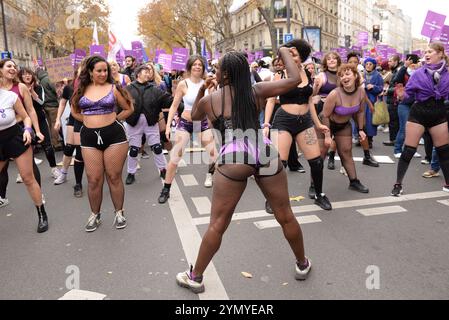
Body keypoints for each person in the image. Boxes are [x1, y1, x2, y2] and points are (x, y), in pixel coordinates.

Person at [175, 48, 312, 294]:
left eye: (217, 69)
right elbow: (293, 80)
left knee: (218, 223)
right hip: (264, 151)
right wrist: (283, 50)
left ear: (224, 74)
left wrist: (204, 91)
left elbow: (195, 116)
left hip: (234, 157)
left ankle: (195, 277)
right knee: (285, 214)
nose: (214, 72)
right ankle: (302, 264)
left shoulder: (211, 99)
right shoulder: (257, 90)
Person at [264, 39, 332, 211]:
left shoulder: (307, 74)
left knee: (316, 162)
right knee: (280, 164)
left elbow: (309, 101)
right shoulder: (280, 74)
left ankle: (319, 195)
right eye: (289, 54)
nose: (292, 57)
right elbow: (271, 101)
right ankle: (272, 198)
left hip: (305, 123)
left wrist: (318, 124)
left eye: (295, 54)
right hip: (283, 121)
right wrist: (265, 124)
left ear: (301, 57)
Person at [71, 55, 134, 232]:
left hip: (114, 137)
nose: (103, 73)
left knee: (114, 177)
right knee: (93, 179)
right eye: (99, 70)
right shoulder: (81, 89)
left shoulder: (114, 88)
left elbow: (129, 108)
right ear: (90, 72)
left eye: (105, 70)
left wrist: (115, 120)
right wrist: (88, 120)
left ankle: (119, 213)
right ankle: (95, 215)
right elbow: (75, 111)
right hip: (89, 137)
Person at [391, 43, 449, 196]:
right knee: (409, 150)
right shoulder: (418, 73)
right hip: (419, 113)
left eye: (430, 52)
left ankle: (448, 184)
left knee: (444, 151)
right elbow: (408, 96)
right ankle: (398, 184)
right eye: (425, 52)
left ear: (441, 54)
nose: (426, 54)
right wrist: (402, 94)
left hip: (438, 114)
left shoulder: (447, 74)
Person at [158, 55, 217, 204]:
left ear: (203, 67)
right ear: (189, 67)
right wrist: (168, 126)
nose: (197, 67)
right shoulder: (183, 84)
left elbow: (212, 104)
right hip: (185, 123)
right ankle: (166, 189)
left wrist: (215, 85)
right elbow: (174, 106)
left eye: (200, 65)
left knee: (214, 154)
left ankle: (210, 175)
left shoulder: (207, 83)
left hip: (202, 123)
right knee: (175, 158)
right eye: (194, 64)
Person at [0, 85, 49, 233]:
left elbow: (26, 116)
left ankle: (42, 214)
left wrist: (28, 130)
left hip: (15, 137)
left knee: (28, 178)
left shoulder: (10, 96)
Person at [319, 64, 372, 193]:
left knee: (346, 152)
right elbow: (325, 115)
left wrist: (360, 129)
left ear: (355, 76)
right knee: (321, 155)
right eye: (341, 76)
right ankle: (314, 186)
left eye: (347, 74)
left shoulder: (361, 92)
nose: (344, 78)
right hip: (326, 124)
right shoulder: (334, 94)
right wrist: (327, 136)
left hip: (344, 125)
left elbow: (360, 112)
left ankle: (354, 182)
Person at [0, 59, 44, 207]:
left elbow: (30, 111)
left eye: (14, 66)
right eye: (9, 66)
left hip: (21, 129)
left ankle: (39, 196)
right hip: (2, 132)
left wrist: (35, 131)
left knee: (28, 170)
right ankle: (2, 196)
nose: (13, 68)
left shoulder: (20, 87)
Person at [124, 64, 173, 184]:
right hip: (133, 123)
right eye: (145, 72)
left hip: (151, 122)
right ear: (138, 74)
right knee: (134, 149)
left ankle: (163, 169)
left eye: (149, 72)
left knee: (156, 147)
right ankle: (131, 173)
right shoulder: (128, 89)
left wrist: (177, 98)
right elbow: (120, 105)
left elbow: (168, 100)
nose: (148, 74)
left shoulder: (154, 89)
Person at [19, 67, 60, 179]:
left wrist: (32, 92)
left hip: (40, 119)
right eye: (24, 74)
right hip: (24, 121)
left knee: (47, 145)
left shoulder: (38, 87)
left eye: (29, 74)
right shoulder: (18, 88)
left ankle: (54, 168)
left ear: (32, 76)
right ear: (20, 77)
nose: (27, 76)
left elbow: (42, 103)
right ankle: (22, 172)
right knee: (24, 148)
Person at [54, 68, 85, 198]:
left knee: (86, 150)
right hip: (74, 119)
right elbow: (62, 103)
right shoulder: (69, 88)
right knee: (70, 147)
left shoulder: (92, 85)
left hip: (92, 119)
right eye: (80, 70)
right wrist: (57, 120)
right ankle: (64, 173)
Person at [312, 52, 341, 171]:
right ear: (325, 62)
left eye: (334, 58)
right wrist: (315, 86)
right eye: (329, 59)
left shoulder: (343, 74)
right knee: (323, 141)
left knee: (338, 137)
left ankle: (332, 157)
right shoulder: (321, 76)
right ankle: (317, 172)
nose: (331, 60)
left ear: (338, 61)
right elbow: (313, 94)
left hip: (339, 109)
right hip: (323, 109)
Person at [36, 67, 61, 149]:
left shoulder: (40, 81)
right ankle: (56, 143)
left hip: (45, 105)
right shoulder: (48, 79)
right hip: (52, 105)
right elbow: (55, 90)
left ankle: (52, 141)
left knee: (50, 124)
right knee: (54, 124)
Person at [363, 57, 384, 149]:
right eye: (367, 64)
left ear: (374, 65)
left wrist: (373, 87)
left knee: (370, 121)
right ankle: (362, 138)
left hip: (372, 101)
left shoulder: (378, 76)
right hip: (361, 100)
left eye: (370, 64)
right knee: (361, 120)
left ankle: (369, 139)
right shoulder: (361, 75)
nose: (368, 66)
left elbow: (381, 88)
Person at [383, 54, 402, 146]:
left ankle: (394, 140)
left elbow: (398, 87)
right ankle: (394, 139)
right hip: (392, 99)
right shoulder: (394, 71)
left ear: (396, 62)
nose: (389, 62)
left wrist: (387, 91)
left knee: (394, 121)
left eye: (391, 61)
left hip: (394, 100)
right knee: (393, 121)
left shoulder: (398, 72)